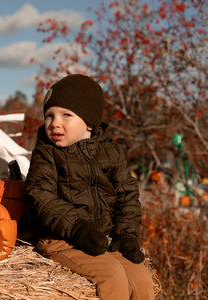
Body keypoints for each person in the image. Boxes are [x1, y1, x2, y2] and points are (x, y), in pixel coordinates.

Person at [24, 74, 154, 300]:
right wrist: (77, 228)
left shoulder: (110, 152)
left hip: (104, 239)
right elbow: (40, 195)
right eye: (49, 116)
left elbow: (127, 195)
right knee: (112, 276)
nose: (55, 123)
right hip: (63, 240)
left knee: (141, 279)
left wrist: (127, 234)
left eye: (66, 115)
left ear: (89, 122)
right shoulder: (46, 153)